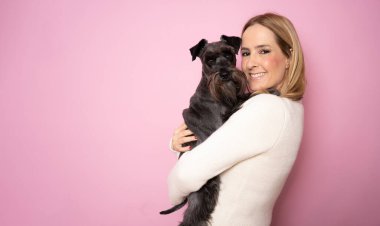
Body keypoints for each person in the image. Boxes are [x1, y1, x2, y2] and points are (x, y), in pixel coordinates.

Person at [167, 12, 305, 226]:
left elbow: (182, 178)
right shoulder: (287, 107)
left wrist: (175, 190)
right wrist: (179, 144)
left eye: (264, 51)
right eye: (247, 53)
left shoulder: (266, 108)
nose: (250, 64)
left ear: (289, 56)